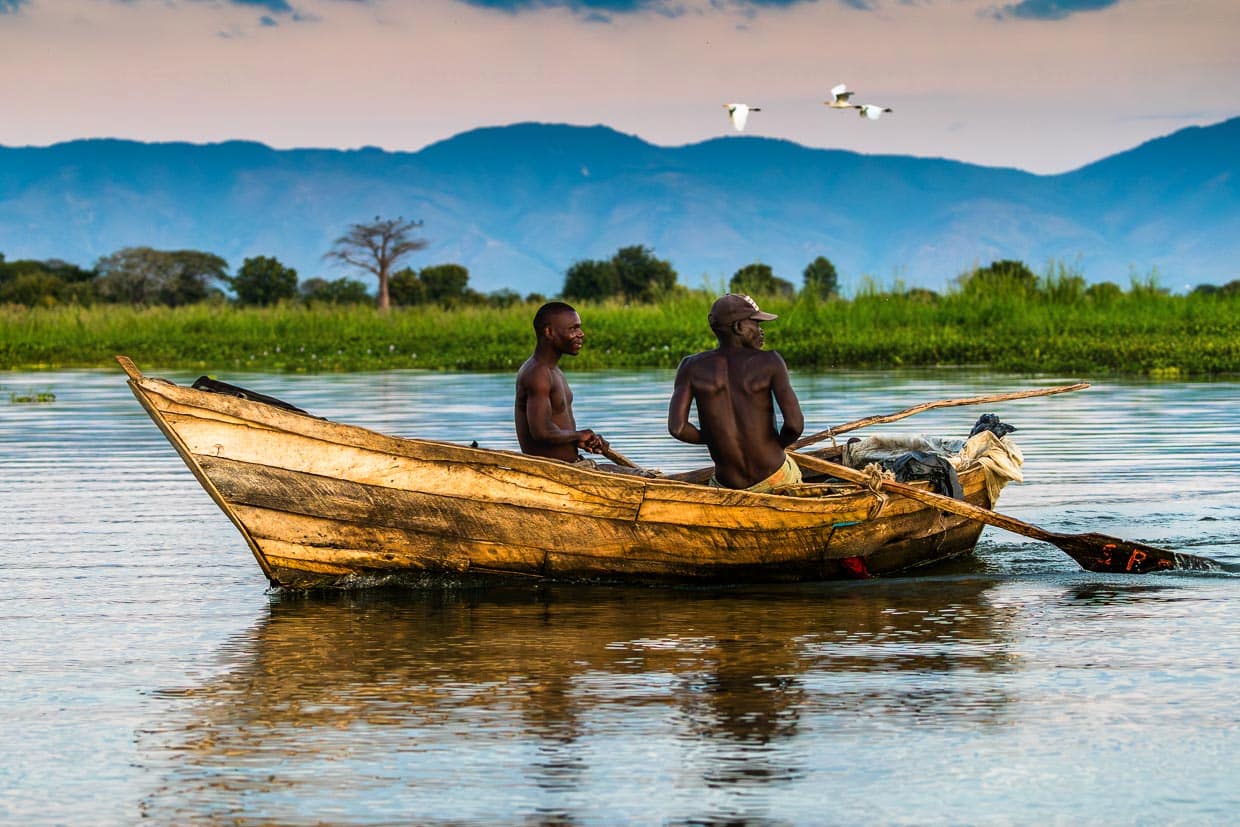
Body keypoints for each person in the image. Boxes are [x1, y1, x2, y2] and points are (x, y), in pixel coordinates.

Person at [668, 293, 805, 492]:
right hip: (775, 478)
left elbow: (678, 428)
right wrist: (774, 445)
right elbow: (794, 425)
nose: (761, 331)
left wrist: (718, 437)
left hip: (727, 486)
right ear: (739, 327)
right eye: (756, 324)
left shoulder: (690, 367)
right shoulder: (770, 361)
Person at [515, 301, 609, 463]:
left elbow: (557, 430)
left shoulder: (554, 371)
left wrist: (580, 439)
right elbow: (541, 432)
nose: (581, 334)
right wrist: (578, 435)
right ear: (549, 332)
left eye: (579, 328)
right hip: (549, 473)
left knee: (643, 474)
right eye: (573, 329)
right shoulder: (538, 373)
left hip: (572, 467)